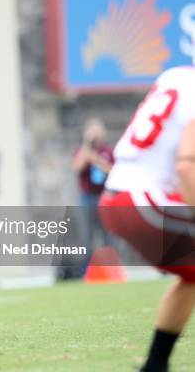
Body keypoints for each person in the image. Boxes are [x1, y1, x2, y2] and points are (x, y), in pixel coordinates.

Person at [99, 64, 195, 371]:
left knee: (191, 275)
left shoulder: (175, 76)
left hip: (117, 194)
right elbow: (186, 166)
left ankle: (156, 364)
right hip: (141, 199)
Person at [72, 118, 115, 275]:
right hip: (87, 197)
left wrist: (97, 160)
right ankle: (85, 273)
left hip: (104, 197)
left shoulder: (108, 151)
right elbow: (77, 167)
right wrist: (87, 146)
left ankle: (112, 271)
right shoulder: (82, 151)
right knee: (86, 237)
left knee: (108, 236)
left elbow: (114, 171)